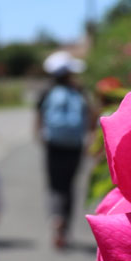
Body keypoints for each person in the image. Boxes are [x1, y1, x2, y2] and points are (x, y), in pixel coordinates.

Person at [36, 51, 93, 249]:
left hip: (53, 144)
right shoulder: (79, 91)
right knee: (69, 186)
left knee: (55, 186)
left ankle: (56, 218)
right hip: (74, 145)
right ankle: (66, 227)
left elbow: (38, 119)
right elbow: (90, 118)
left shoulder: (46, 92)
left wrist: (40, 137)